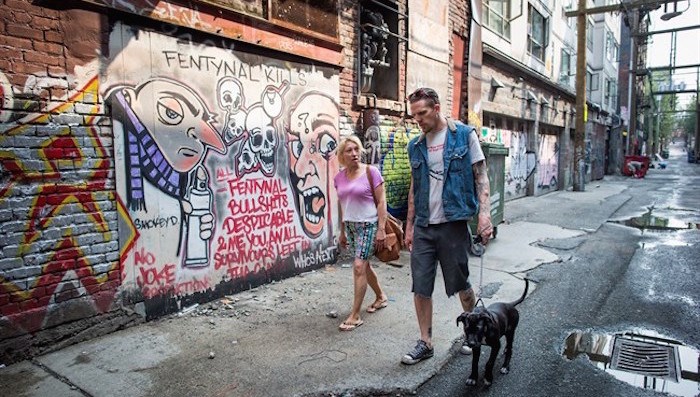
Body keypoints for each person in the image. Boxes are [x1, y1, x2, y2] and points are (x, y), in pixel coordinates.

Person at [401, 87, 492, 364]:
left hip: (453, 224)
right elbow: (415, 186)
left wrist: (484, 216)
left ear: (437, 107)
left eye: (422, 113)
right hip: (425, 226)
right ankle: (425, 342)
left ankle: (473, 330)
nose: (418, 120)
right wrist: (409, 225)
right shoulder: (415, 145)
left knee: (461, 284)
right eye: (414, 115)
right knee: (421, 286)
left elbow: (482, 176)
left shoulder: (464, 135)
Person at [334, 135, 390, 331]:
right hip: (350, 225)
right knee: (364, 267)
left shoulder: (371, 172)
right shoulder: (338, 178)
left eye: (356, 149)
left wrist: (381, 229)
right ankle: (381, 296)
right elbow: (343, 205)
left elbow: (382, 201)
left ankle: (355, 315)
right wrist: (342, 231)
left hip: (368, 225)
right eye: (349, 150)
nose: (354, 153)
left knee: (358, 266)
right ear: (342, 155)